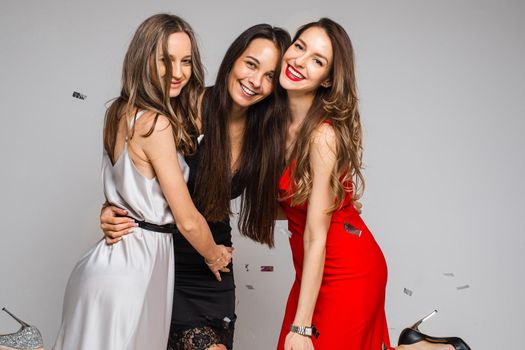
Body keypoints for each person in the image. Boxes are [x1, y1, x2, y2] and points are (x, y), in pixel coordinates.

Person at [270, 18, 470, 350]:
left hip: (345, 272)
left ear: (329, 78)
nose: (300, 62)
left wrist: (302, 327)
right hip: (311, 272)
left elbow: (316, 235)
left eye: (317, 60)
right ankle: (416, 346)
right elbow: (292, 208)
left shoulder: (322, 136)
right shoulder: (276, 127)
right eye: (300, 47)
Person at [100, 24, 291, 350]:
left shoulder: (267, 134)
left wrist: (322, 207)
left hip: (215, 272)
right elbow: (135, 167)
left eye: (270, 76)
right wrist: (110, 210)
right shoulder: (184, 107)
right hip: (163, 259)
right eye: (251, 64)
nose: (256, 82)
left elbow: (267, 205)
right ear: (233, 59)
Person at [53, 14, 232, 350]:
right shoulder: (156, 124)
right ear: (143, 59)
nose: (178, 73)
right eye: (165, 61)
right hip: (133, 273)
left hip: (105, 267)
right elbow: (188, 220)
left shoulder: (118, 112)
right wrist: (215, 255)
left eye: (186, 61)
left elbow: (126, 186)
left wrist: (110, 210)